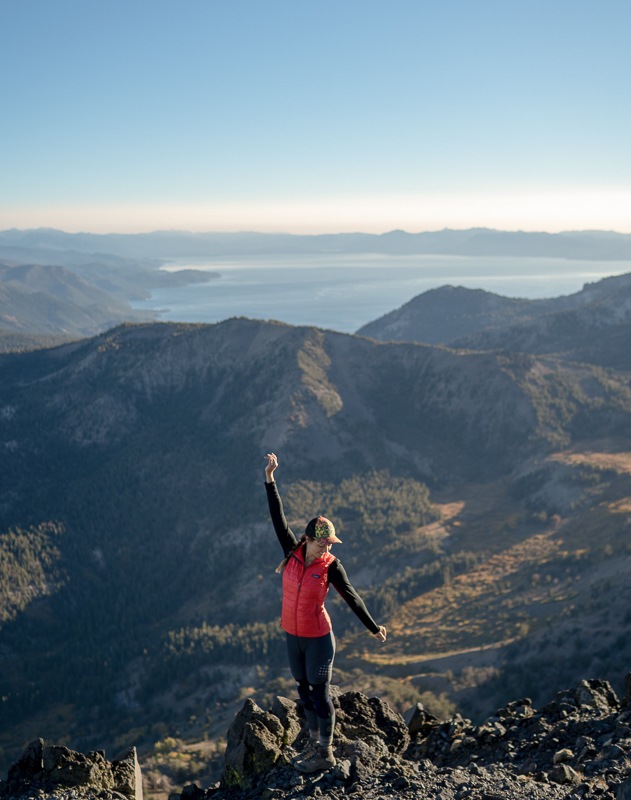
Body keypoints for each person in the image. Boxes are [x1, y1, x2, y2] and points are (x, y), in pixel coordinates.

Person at [264, 452, 387, 773]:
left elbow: (351, 596)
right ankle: (313, 746)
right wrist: (270, 480)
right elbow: (278, 517)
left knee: (320, 695)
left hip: (318, 638)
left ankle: (326, 753)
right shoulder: (291, 552)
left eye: (330, 544)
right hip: (293, 635)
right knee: (304, 694)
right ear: (306, 539)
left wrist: (373, 628)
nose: (327, 548)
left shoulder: (331, 566)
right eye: (322, 543)